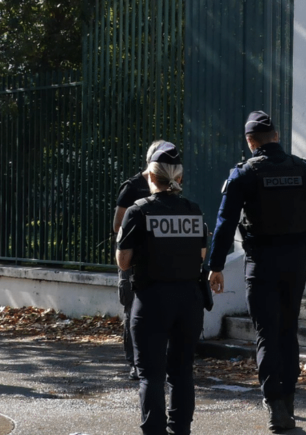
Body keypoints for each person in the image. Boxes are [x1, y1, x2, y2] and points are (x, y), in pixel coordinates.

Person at [207, 111, 306, 433]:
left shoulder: (243, 174)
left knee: (266, 334)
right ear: (276, 136)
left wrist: (216, 266)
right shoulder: (304, 170)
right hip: (295, 264)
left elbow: (224, 225)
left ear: (250, 142)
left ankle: (276, 407)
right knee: (288, 331)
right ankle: (287, 400)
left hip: (261, 264)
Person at [116, 142, 207, 435]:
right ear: (178, 177)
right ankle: (180, 430)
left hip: (152, 300)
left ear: (151, 177)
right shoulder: (194, 210)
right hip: (189, 301)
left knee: (151, 376)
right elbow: (202, 255)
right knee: (182, 374)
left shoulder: (138, 211)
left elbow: (124, 260)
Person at [113, 139, 168, 380]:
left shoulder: (169, 185)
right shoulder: (132, 187)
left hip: (160, 261)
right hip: (133, 261)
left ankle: (157, 360)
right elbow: (118, 226)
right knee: (132, 310)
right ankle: (134, 362)